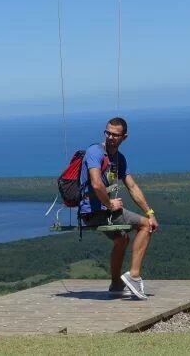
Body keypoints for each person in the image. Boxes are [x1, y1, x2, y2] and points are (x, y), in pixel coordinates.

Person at [79, 117, 159, 300]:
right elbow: (96, 184)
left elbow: (132, 187)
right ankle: (134, 275)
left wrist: (150, 212)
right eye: (108, 133)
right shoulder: (95, 152)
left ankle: (116, 284)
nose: (110, 137)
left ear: (124, 137)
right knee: (146, 226)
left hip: (104, 211)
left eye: (115, 134)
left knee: (122, 239)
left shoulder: (118, 158)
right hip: (95, 210)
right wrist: (110, 204)